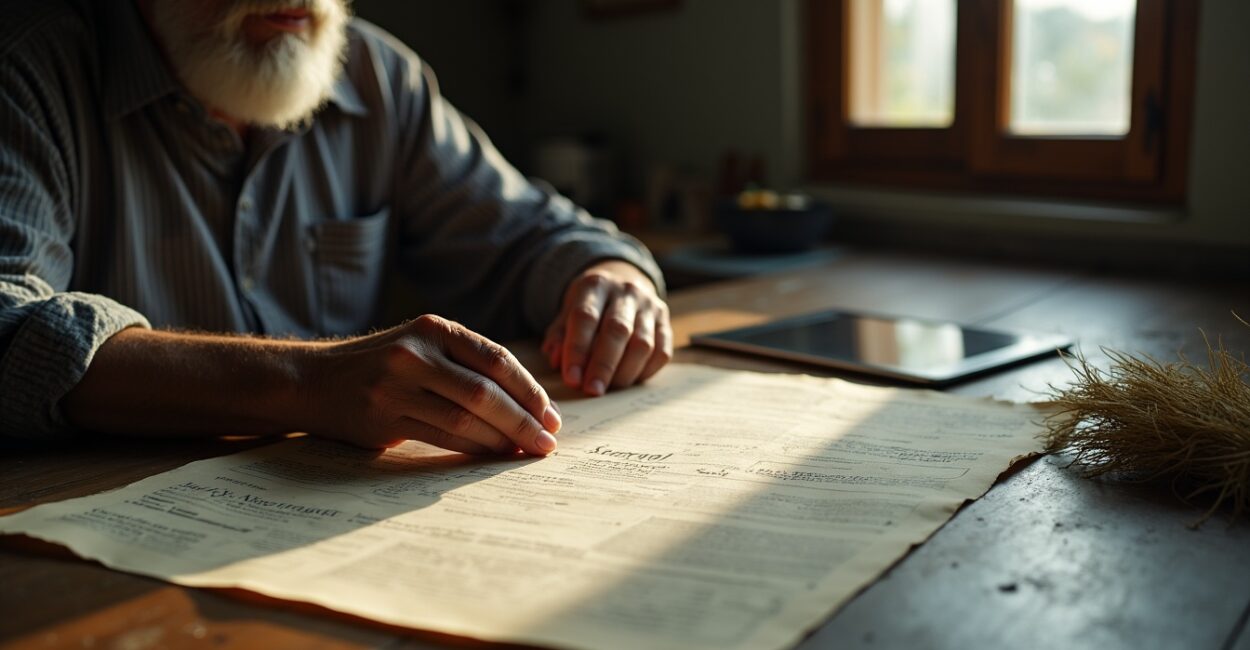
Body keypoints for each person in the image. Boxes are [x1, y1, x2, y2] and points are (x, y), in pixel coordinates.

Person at [0, 0, 673, 457]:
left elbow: (529, 236)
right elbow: (9, 325)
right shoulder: (28, 72)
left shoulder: (379, 78)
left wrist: (609, 279)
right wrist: (305, 385)